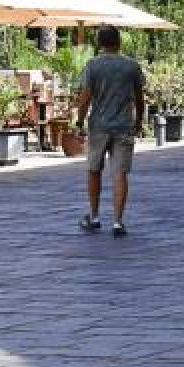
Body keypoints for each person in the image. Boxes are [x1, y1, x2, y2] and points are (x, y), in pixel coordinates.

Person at [76, 25, 145, 238]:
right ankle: (117, 221)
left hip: (98, 126)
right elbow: (139, 98)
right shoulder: (131, 67)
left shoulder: (92, 66)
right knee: (120, 174)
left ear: (100, 43)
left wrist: (79, 121)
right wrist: (139, 121)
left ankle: (94, 216)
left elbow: (86, 97)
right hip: (124, 126)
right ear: (119, 42)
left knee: (94, 170)